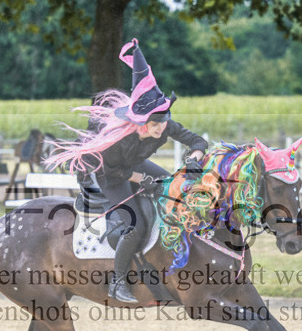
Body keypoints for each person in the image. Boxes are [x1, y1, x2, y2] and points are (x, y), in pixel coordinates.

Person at [45, 38, 207, 302]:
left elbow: (198, 142)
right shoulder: (118, 139)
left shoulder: (164, 124)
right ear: (141, 124)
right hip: (110, 175)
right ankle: (118, 282)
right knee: (134, 224)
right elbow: (112, 172)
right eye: (156, 126)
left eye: (164, 124)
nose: (161, 130)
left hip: (130, 165)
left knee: (170, 188)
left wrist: (195, 159)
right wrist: (141, 179)